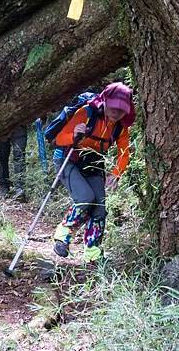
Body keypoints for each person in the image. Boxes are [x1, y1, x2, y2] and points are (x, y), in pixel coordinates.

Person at [51, 82, 136, 263]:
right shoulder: (86, 113)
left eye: (121, 110)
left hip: (94, 163)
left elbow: (124, 152)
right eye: (113, 107)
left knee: (99, 209)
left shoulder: (120, 127)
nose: (116, 112)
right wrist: (75, 135)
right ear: (105, 101)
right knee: (85, 197)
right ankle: (62, 235)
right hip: (69, 159)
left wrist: (116, 173)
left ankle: (92, 252)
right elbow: (59, 139)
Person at [0, 125, 28, 202]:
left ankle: (20, 188)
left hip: (20, 124)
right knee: (2, 156)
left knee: (19, 156)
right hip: (2, 126)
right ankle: (4, 187)